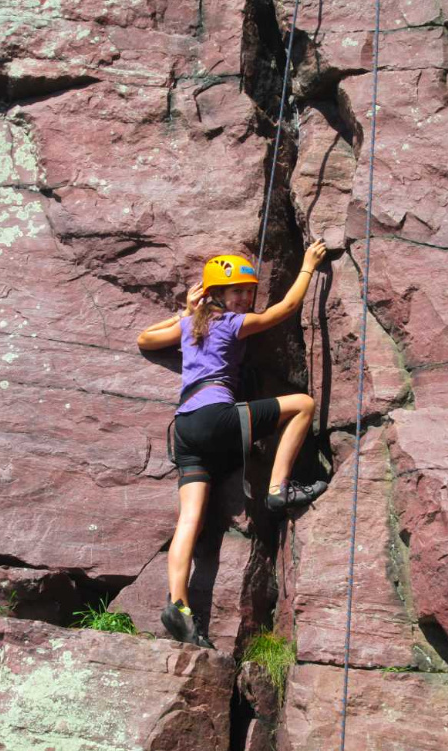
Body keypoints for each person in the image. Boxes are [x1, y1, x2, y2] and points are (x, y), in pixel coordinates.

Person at [138, 240, 328, 648]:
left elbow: (145, 339)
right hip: (215, 416)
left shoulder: (189, 325)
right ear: (217, 295)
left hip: (185, 428)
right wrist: (308, 266)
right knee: (303, 405)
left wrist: (185, 311)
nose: (244, 298)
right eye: (236, 291)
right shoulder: (229, 323)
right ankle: (279, 489)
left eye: (247, 291)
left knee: (191, 519)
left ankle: (178, 604)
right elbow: (285, 309)